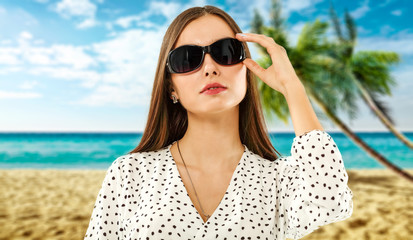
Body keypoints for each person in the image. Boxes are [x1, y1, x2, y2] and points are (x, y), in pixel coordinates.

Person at [84, 5, 353, 240]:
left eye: (225, 52)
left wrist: (292, 88)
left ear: (246, 69)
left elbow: (330, 201)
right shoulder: (131, 173)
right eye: (188, 59)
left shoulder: (276, 179)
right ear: (170, 87)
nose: (210, 67)